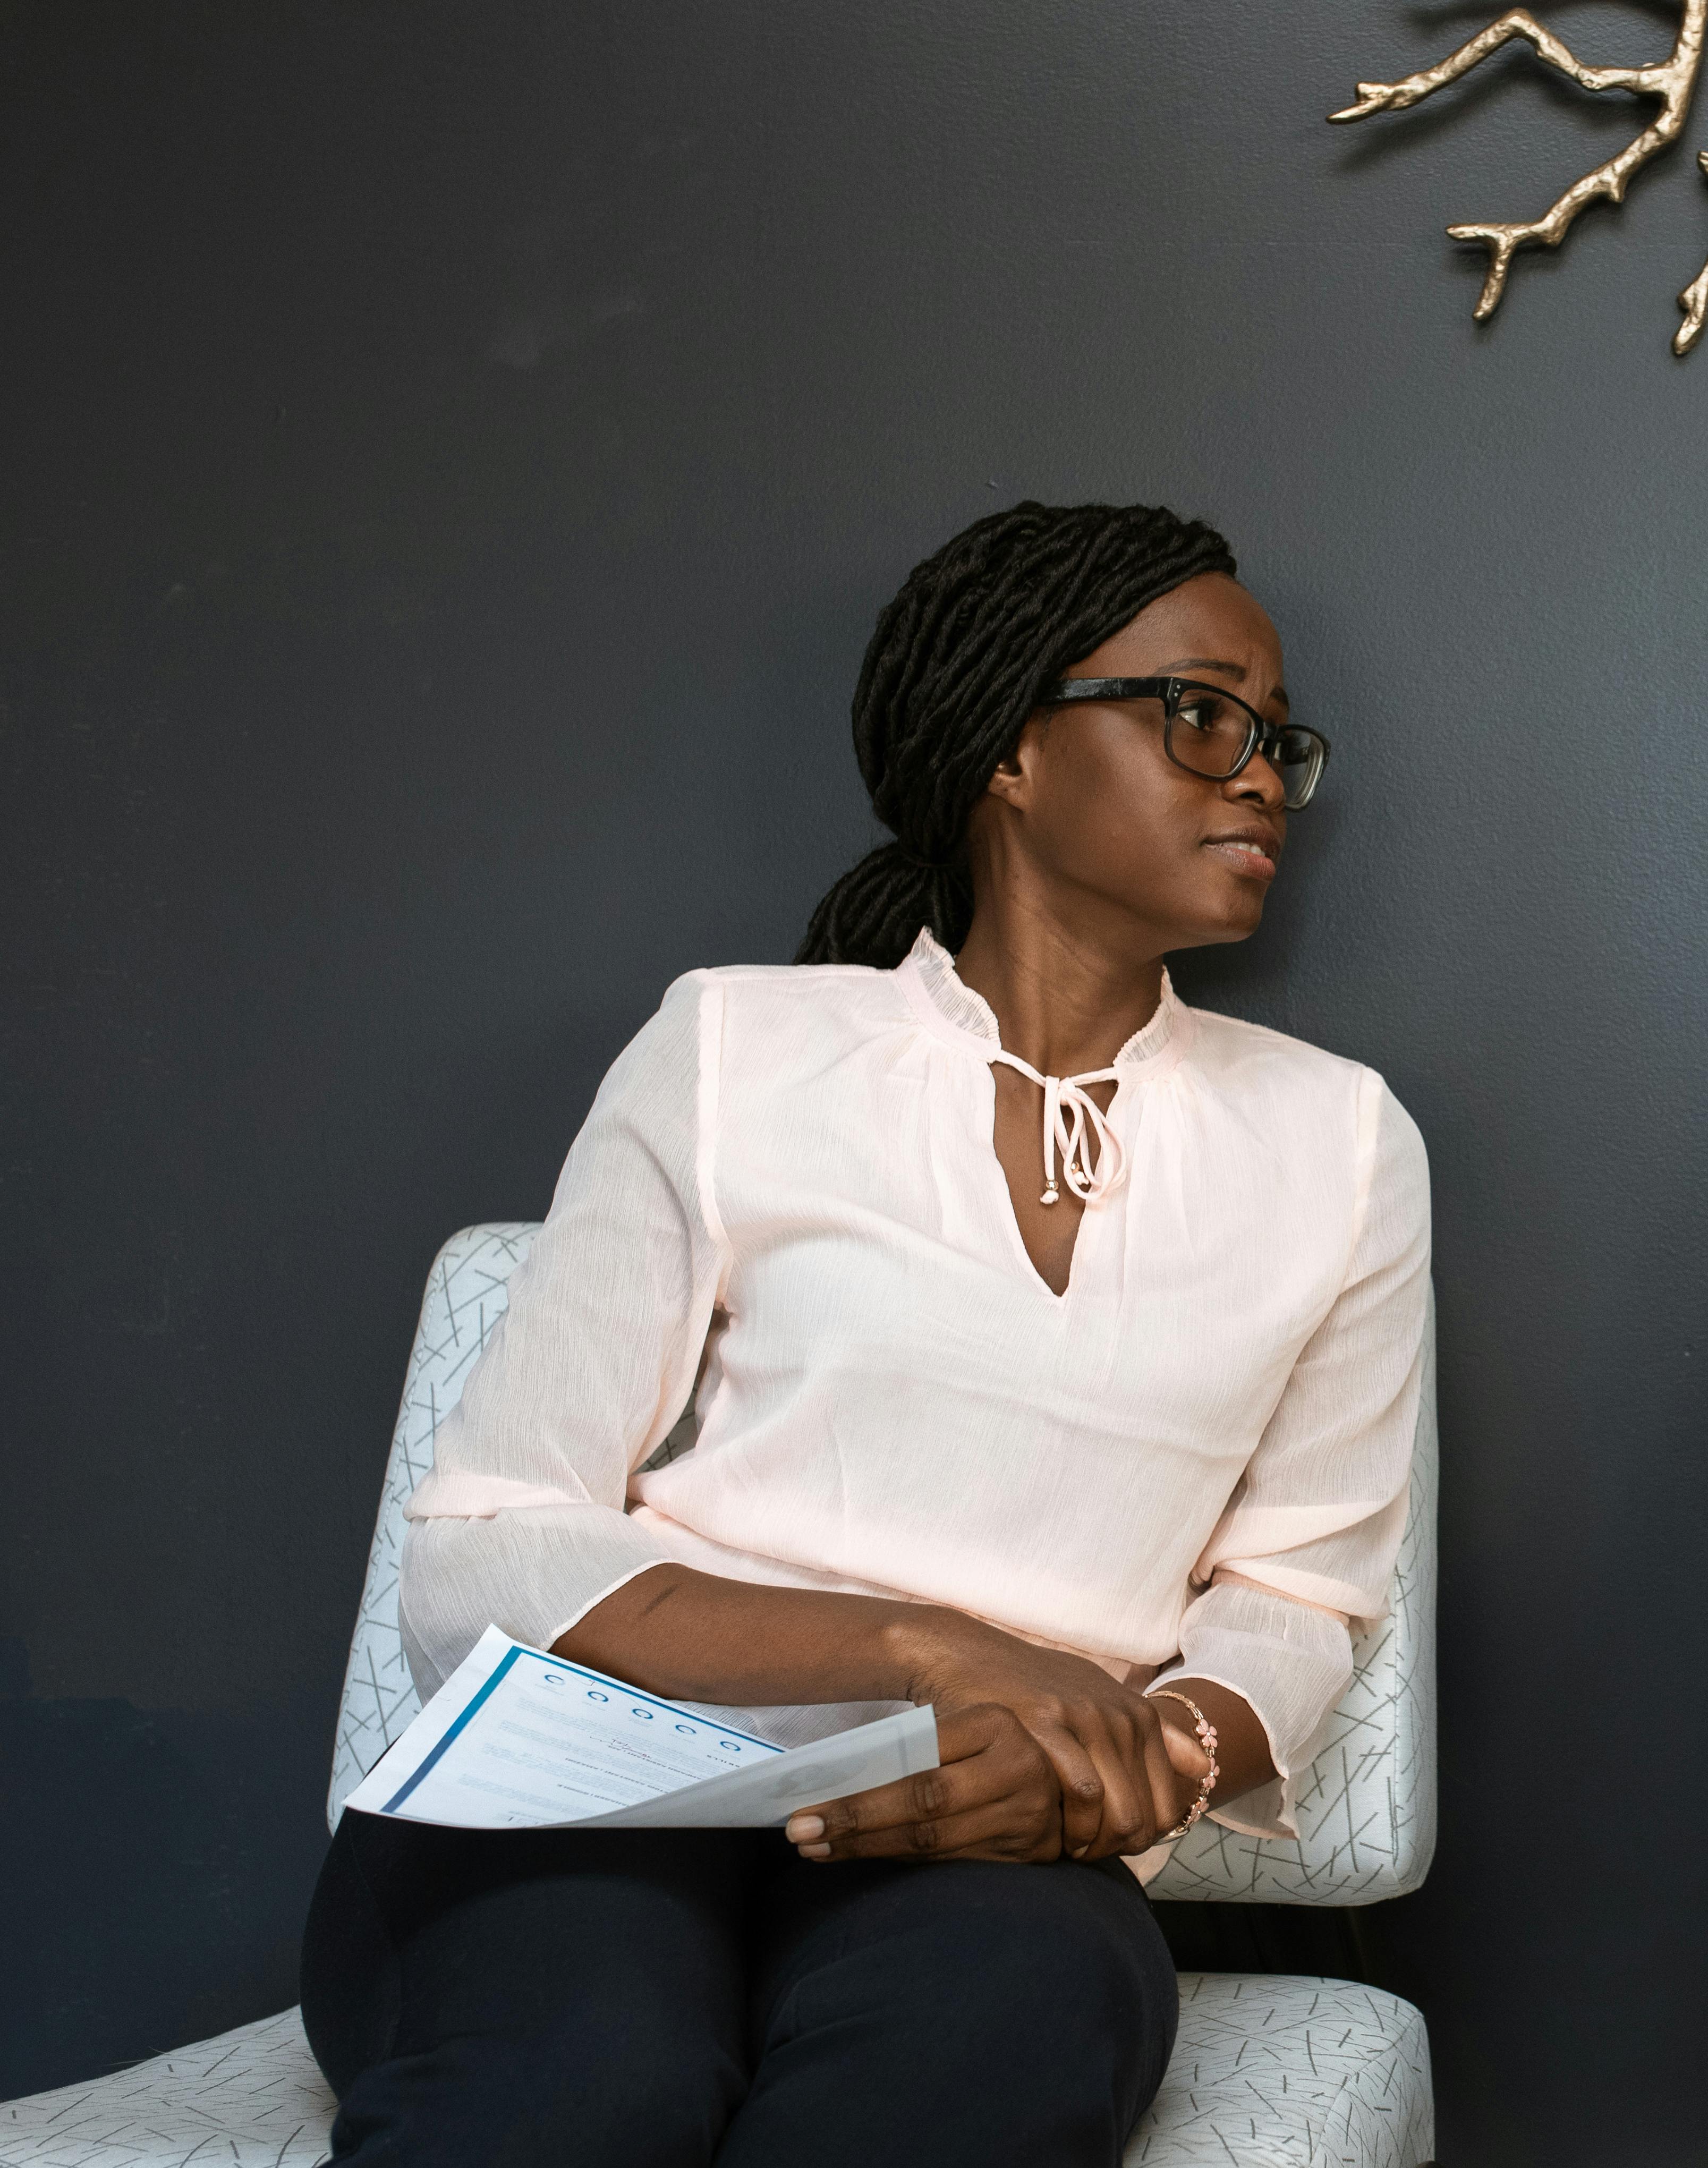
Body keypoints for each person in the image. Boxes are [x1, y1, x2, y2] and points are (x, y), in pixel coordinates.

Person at [298, 503, 1429, 2168]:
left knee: (950, 2095)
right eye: (1200, 715)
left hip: (996, 1848)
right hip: (587, 1798)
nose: (1259, 774)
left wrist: (1141, 1757)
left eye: (1279, 739)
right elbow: (479, 1556)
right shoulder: (735, 1046)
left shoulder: (1339, 1142)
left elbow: (1300, 1593)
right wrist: (926, 1645)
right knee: (577, 2088)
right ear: (1011, 752)